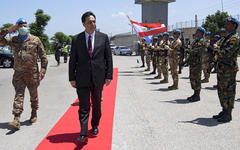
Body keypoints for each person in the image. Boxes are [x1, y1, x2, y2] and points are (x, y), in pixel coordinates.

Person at [69, 11, 113, 143]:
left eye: (94, 21)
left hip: (98, 77)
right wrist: (71, 77)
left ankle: (95, 125)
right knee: (84, 105)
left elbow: (108, 58)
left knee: (96, 104)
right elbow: (73, 60)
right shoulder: (76, 39)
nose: (92, 24)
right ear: (83, 24)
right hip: (82, 78)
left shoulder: (103, 37)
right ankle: (83, 132)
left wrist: (109, 75)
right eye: (89, 22)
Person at [0, 18, 48, 130]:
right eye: (20, 25)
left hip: (33, 74)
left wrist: (43, 71)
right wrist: (8, 30)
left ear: (27, 26)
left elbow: (43, 56)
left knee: (33, 95)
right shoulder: (13, 39)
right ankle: (16, 118)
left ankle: (34, 112)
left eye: (24, 25)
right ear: (17, 27)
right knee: (18, 95)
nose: (23, 27)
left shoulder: (35, 40)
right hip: (19, 74)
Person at [212, 17, 240, 123]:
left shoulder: (234, 38)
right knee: (221, 90)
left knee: (229, 90)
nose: (226, 25)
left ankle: (228, 113)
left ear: (234, 26)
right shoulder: (226, 38)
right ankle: (224, 109)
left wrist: (216, 48)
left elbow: (227, 53)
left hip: (229, 69)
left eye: (228, 24)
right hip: (222, 68)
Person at [187, 27, 206, 102]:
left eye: (197, 31)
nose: (196, 32)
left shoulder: (201, 41)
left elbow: (198, 50)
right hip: (193, 62)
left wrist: (189, 50)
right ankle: (195, 93)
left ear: (201, 32)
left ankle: (197, 95)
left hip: (197, 63)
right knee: (192, 77)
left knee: (197, 78)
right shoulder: (196, 40)